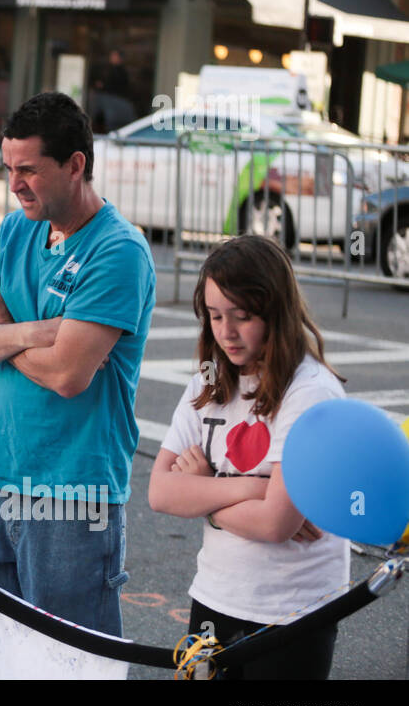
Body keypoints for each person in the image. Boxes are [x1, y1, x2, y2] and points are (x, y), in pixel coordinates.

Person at [0, 90, 155, 637]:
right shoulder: (19, 227)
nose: (14, 183)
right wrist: (34, 332)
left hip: (74, 490)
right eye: (8, 168)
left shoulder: (119, 251)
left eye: (29, 170)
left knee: (66, 662)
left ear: (75, 165)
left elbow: (69, 375)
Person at [148, 236, 348, 679]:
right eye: (215, 315)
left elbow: (275, 524)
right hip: (217, 594)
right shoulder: (210, 377)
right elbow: (159, 492)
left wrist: (203, 490)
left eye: (242, 316)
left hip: (292, 610)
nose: (226, 332)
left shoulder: (310, 390)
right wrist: (255, 488)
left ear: (274, 310)